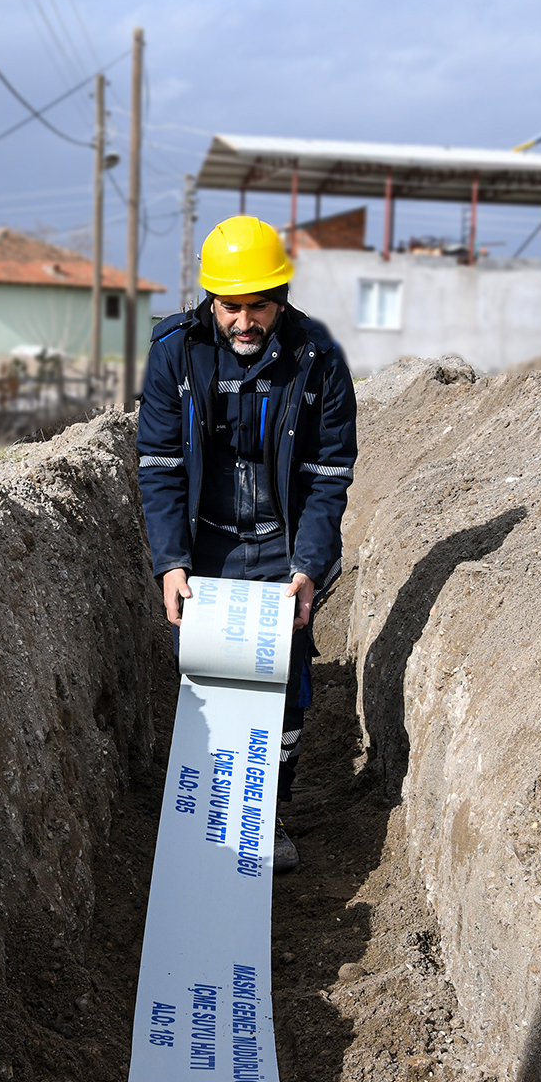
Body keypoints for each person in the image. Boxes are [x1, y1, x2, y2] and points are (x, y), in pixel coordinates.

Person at [135, 216, 358, 873]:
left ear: (281, 295)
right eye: (231, 306)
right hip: (205, 545)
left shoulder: (318, 360)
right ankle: (205, 817)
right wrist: (171, 561)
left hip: (281, 546)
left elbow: (327, 474)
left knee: (283, 684)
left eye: (259, 305)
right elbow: (159, 465)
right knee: (204, 678)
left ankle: (269, 812)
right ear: (211, 300)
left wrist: (310, 566)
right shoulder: (175, 351)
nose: (244, 320)